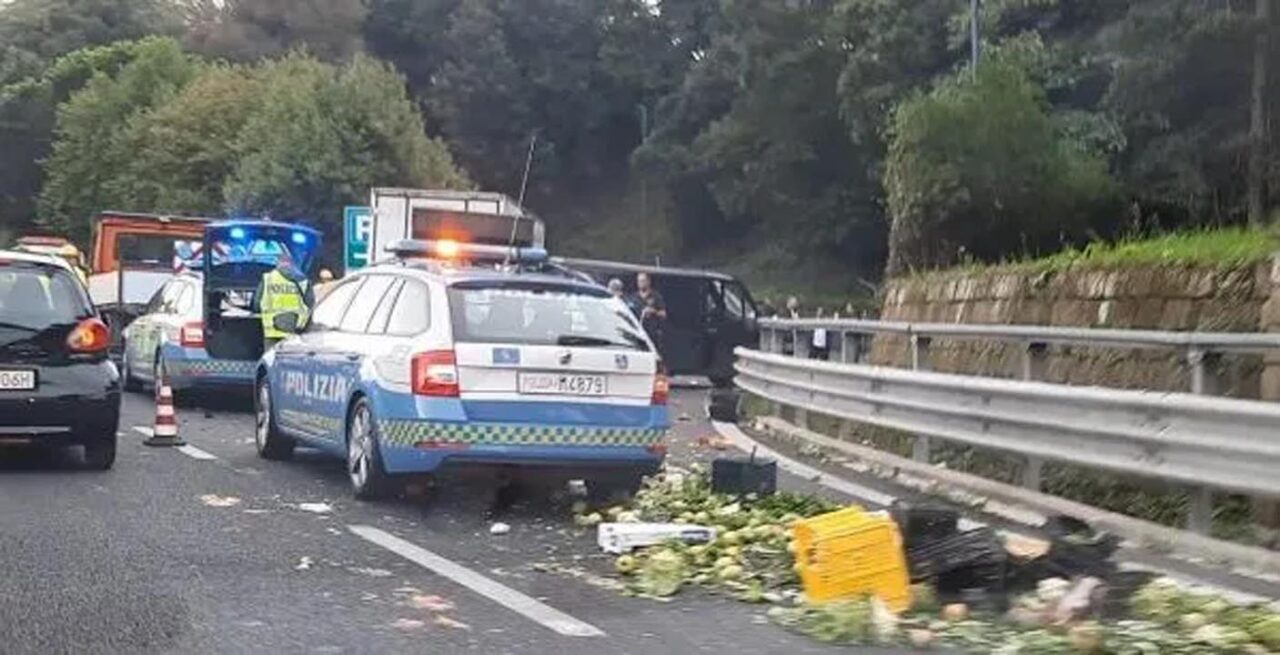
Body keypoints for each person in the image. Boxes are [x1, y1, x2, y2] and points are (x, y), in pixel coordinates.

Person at [257, 250, 314, 349]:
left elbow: (257, 303)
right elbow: (311, 302)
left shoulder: (268, 278)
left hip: (272, 330)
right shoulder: (303, 280)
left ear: (278, 263)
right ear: (292, 263)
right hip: (295, 329)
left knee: (271, 360)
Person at [630, 272, 667, 350]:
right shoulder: (633, 298)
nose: (641, 283)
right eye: (639, 281)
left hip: (652, 335)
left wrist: (653, 311)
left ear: (648, 281)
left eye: (643, 281)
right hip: (637, 334)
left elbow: (664, 314)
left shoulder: (656, 296)